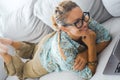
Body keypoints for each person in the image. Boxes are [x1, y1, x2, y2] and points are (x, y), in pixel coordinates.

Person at [0, 1, 111, 80]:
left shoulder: (83, 20)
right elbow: (88, 73)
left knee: (33, 48)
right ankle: (5, 54)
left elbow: (106, 37)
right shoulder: (64, 54)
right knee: (22, 72)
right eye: (77, 22)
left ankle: (12, 43)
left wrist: (85, 53)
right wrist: (91, 45)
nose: (86, 23)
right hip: (43, 61)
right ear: (64, 29)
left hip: (46, 41)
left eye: (83, 17)